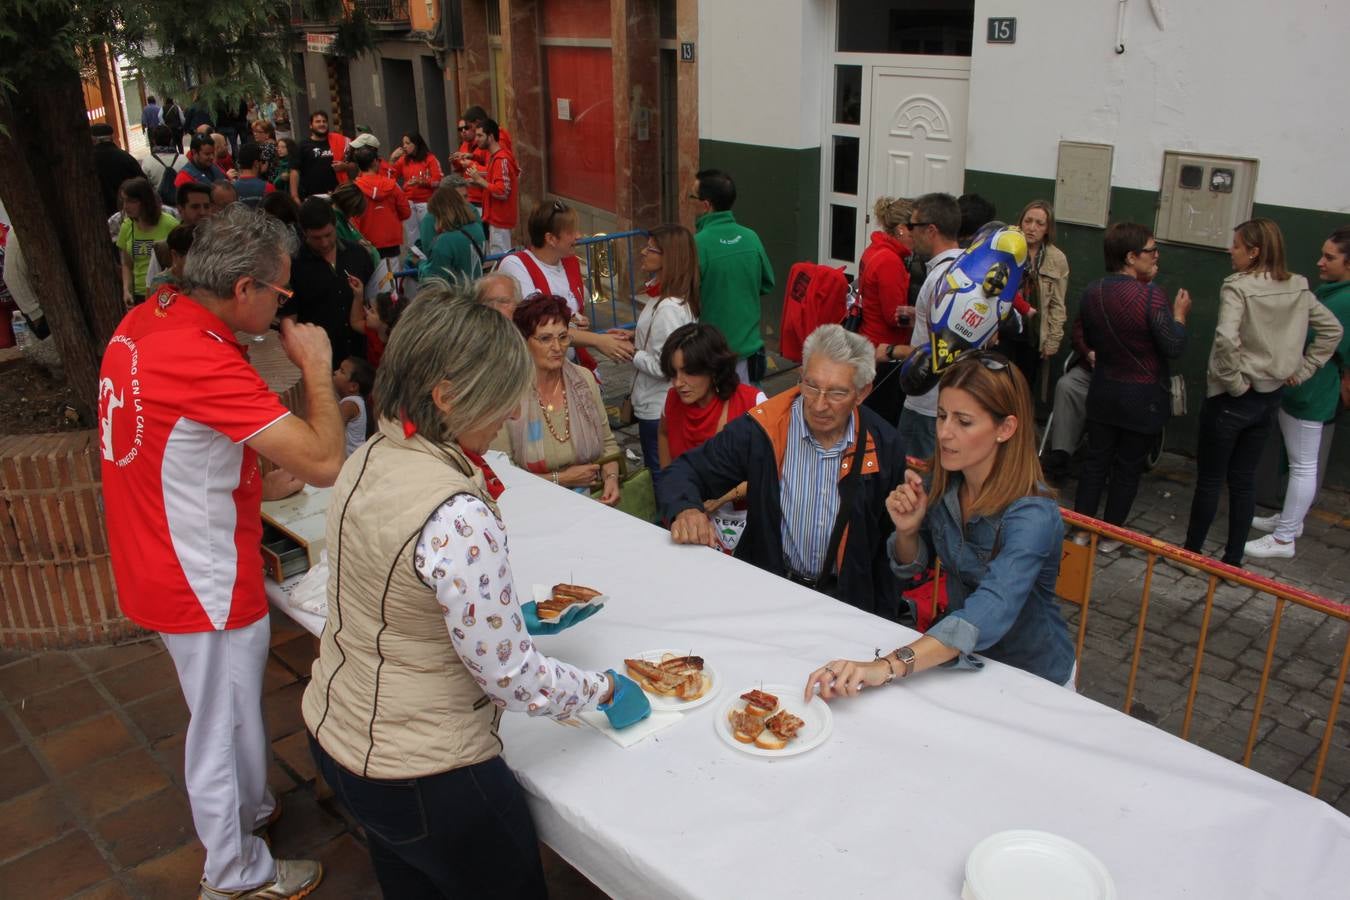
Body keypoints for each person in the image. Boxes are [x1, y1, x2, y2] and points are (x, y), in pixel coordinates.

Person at [303, 288, 649, 898]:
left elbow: (381, 593)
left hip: (340, 729)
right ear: (447, 396)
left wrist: (498, 618)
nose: (510, 415)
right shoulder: (457, 514)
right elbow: (511, 677)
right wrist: (604, 688)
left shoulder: (371, 455)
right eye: (500, 399)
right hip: (423, 768)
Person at [99, 205, 344, 899]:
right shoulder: (199, 355)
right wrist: (315, 368)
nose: (282, 305)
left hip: (163, 548)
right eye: (280, 293)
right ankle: (233, 876)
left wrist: (251, 477)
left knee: (229, 705)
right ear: (243, 289)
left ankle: (251, 814)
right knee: (221, 718)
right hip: (196, 570)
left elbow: (172, 442)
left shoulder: (151, 316)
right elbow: (325, 458)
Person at [804, 352, 1075, 696]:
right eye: (942, 416)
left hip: (1033, 679)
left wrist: (886, 666)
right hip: (965, 663)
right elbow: (910, 566)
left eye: (963, 422)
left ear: (1006, 428)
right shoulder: (944, 483)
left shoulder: (1032, 514)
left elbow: (989, 609)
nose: (944, 433)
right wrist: (907, 530)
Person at [661, 324, 905, 616]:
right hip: (767, 592)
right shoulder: (765, 427)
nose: (818, 404)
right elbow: (685, 471)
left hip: (844, 603)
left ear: (862, 393)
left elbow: (889, 546)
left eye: (837, 393)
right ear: (800, 376)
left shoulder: (884, 445)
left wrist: (883, 618)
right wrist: (687, 509)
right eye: (811, 385)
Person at [1182, 218, 1342, 567]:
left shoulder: (1238, 287)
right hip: (1269, 399)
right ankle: (1233, 559)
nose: (1231, 250)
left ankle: (1192, 553)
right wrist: (1301, 371)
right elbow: (1332, 330)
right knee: (1243, 481)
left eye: (1236, 245)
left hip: (1232, 397)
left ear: (1254, 252)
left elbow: (1226, 338)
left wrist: (1236, 383)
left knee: (1210, 480)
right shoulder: (1299, 286)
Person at [1071, 223, 1189, 551]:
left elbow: (1090, 337)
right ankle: (1111, 536)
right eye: (1151, 250)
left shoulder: (1092, 291)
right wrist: (1179, 317)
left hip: (1104, 392)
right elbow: (1173, 346)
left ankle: (1080, 531)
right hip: (1143, 398)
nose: (1156, 256)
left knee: (1096, 461)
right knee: (1127, 468)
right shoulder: (1152, 296)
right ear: (1130, 257)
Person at [1248, 226, 1350, 559]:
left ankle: (1284, 539)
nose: (1321, 261)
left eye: (1330, 257)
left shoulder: (1345, 299)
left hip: (1314, 389)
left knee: (1303, 463)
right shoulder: (1335, 290)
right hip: (1304, 387)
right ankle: (1290, 520)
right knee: (1297, 461)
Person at [495, 294, 623, 505]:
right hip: (531, 505)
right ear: (523, 342)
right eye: (545, 339)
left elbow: (608, 444)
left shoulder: (583, 380)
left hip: (592, 502)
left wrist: (611, 479)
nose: (557, 347)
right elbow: (502, 472)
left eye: (563, 337)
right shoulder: (506, 392)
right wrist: (562, 479)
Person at [658, 323, 765, 553]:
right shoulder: (672, 400)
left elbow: (768, 471)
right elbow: (664, 434)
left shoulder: (753, 403)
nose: (679, 382)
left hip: (744, 524)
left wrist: (719, 500)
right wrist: (672, 486)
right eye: (674, 372)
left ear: (713, 368)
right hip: (688, 524)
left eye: (688, 372)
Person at [496, 200, 634, 363]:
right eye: (572, 231)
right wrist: (598, 340)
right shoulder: (515, 265)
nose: (579, 236)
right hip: (532, 368)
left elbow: (572, 310)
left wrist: (577, 321)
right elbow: (540, 325)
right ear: (551, 239)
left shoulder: (570, 261)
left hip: (566, 361)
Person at [631, 225, 699, 492]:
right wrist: (631, 336)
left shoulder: (669, 306)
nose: (643, 252)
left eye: (651, 249)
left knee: (661, 479)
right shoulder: (667, 298)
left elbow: (665, 366)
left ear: (669, 258)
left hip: (656, 407)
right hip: (657, 405)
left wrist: (631, 353)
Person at [690, 169, 775, 384]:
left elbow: (687, 298)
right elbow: (767, 283)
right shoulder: (751, 237)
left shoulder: (697, 244)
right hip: (752, 351)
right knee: (750, 413)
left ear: (706, 205)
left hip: (714, 355)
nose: (689, 203)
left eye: (692, 197)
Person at [899, 192, 963, 461]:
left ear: (931, 230)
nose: (908, 232)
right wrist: (920, 315)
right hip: (953, 400)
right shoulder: (964, 270)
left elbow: (940, 350)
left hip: (926, 403)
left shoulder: (938, 277)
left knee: (911, 484)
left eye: (912, 226)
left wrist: (889, 351)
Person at [281, 197, 376, 368]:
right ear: (304, 232)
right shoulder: (293, 266)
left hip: (361, 359)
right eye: (316, 238)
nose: (324, 243)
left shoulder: (358, 254)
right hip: (320, 362)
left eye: (328, 235)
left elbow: (374, 300)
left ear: (335, 226)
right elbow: (289, 321)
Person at [857, 195, 915, 423]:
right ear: (901, 229)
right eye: (914, 231)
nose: (917, 238)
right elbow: (894, 315)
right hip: (884, 351)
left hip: (868, 340)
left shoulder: (874, 250)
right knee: (881, 419)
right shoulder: (890, 261)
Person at [1019, 200, 1070, 381]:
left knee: (1024, 387)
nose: (1031, 228)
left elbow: (1057, 304)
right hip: (1005, 331)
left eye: (1039, 224)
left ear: (1048, 229)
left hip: (1034, 335)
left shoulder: (1056, 258)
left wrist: (1052, 341)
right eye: (1028, 221)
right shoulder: (1008, 248)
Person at [1041, 312, 1096, 480]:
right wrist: (1088, 353)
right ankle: (1061, 454)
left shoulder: (1150, 302)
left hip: (1122, 375)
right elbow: (1078, 332)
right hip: (1089, 369)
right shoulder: (1097, 296)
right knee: (1066, 386)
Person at [116, 177, 179, 306]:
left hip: (165, 291)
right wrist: (126, 290)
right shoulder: (127, 226)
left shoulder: (170, 224)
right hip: (139, 294)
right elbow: (127, 264)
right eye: (124, 201)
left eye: (131, 201)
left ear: (145, 201)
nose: (126, 206)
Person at [469, 118, 519, 255]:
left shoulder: (500, 159)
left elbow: (502, 192)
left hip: (500, 221)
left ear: (490, 137)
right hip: (496, 221)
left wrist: (479, 180)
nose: (476, 139)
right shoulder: (496, 157)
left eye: (480, 135)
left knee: (501, 261)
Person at [420, 181, 486, 282]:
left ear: (442, 213)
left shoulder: (444, 241)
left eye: (436, 216)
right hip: (476, 290)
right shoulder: (477, 229)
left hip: (456, 295)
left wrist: (420, 264)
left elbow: (434, 278)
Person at [352, 146, 410, 259]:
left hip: (366, 244)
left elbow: (352, 220)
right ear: (374, 162)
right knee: (392, 276)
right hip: (391, 243)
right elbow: (406, 212)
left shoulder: (354, 189)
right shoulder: (392, 186)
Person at [390, 132, 442, 249]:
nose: (404, 146)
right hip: (409, 202)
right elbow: (390, 176)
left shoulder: (430, 158)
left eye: (408, 143)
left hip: (426, 202)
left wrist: (421, 181)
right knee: (412, 234)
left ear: (416, 144)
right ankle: (415, 259)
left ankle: (431, 257)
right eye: (403, 143)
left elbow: (437, 181)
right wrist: (392, 159)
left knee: (428, 232)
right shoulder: (403, 160)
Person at [92, 123, 144, 217]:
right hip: (127, 210)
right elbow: (142, 182)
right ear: (112, 137)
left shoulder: (89, 161)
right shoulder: (126, 158)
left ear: (94, 140)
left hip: (100, 213)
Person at [291, 111, 344, 201]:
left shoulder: (337, 142)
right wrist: (294, 196)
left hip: (337, 196)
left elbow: (352, 165)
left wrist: (344, 166)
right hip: (312, 198)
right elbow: (295, 171)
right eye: (318, 121)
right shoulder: (303, 145)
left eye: (324, 121)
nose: (322, 124)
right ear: (311, 125)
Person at [333, 355, 374, 457]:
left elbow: (332, 428)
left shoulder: (350, 404)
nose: (335, 372)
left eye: (342, 371)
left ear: (353, 386)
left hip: (350, 460)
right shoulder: (356, 401)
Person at [141, 125, 183, 204]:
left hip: (159, 205)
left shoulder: (147, 161)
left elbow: (145, 186)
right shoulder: (183, 159)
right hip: (181, 203)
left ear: (154, 141)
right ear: (171, 140)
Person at [232, 143, 275, 209]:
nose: (263, 163)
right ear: (256, 163)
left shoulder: (231, 188)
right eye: (262, 160)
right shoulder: (268, 187)